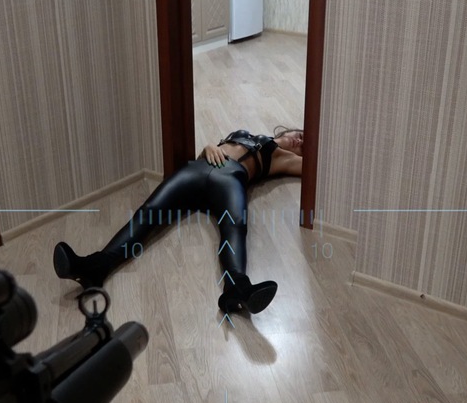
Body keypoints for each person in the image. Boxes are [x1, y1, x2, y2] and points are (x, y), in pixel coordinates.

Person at [53, 126, 304, 314]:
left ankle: (237, 288)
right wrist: (208, 146)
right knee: (149, 211)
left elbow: (312, 169)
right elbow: (216, 149)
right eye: (300, 134)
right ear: (287, 128)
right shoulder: (249, 133)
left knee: (235, 225)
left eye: (304, 144)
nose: (299, 141)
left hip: (230, 179)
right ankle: (95, 267)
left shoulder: (284, 157)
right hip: (197, 168)